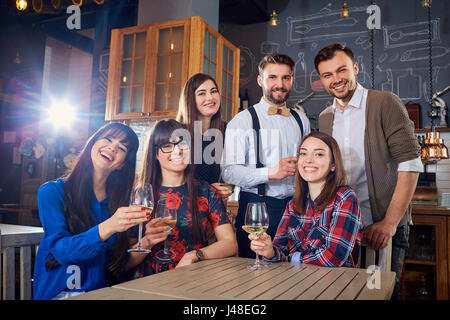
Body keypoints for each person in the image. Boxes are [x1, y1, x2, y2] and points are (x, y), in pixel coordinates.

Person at [315, 43, 422, 297]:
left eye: (342, 70)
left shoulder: (384, 103)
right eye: (327, 75)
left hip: (383, 225)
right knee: (343, 293)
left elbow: (410, 163)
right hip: (343, 228)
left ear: (355, 68)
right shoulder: (325, 117)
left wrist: (389, 223)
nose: (336, 79)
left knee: (378, 295)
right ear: (321, 80)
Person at [33, 123, 145, 300]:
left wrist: (148, 242)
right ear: (92, 143)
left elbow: (114, 265)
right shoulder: (52, 192)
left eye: (122, 147)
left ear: (122, 164)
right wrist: (108, 227)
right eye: (108, 139)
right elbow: (61, 250)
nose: (112, 147)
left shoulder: (119, 205)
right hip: (60, 293)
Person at [221, 53, 311, 258]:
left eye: (286, 78)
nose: (280, 84)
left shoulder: (302, 120)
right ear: (261, 80)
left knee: (294, 271)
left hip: (296, 209)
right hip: (257, 209)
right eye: (273, 77)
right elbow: (228, 172)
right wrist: (271, 172)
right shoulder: (242, 120)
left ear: (291, 80)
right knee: (253, 277)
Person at [129, 119, 237, 276]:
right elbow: (124, 262)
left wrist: (195, 255)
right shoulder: (140, 194)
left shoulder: (206, 191)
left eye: (182, 144)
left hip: (191, 277)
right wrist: (147, 241)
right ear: (155, 154)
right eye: (167, 146)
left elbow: (230, 244)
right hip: (146, 280)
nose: (177, 151)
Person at [248, 132, 364, 267]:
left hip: (334, 284)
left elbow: (333, 257)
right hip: (295, 282)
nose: (308, 160)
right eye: (303, 153)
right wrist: (270, 251)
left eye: (319, 154)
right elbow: (280, 248)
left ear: (333, 164)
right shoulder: (293, 204)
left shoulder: (345, 197)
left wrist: (289, 259)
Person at [176, 73, 232, 202]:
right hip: (185, 209)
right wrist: (207, 189)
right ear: (190, 99)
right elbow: (168, 181)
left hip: (215, 210)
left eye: (214, 91)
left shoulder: (226, 130)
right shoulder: (177, 133)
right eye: (202, 93)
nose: (210, 97)